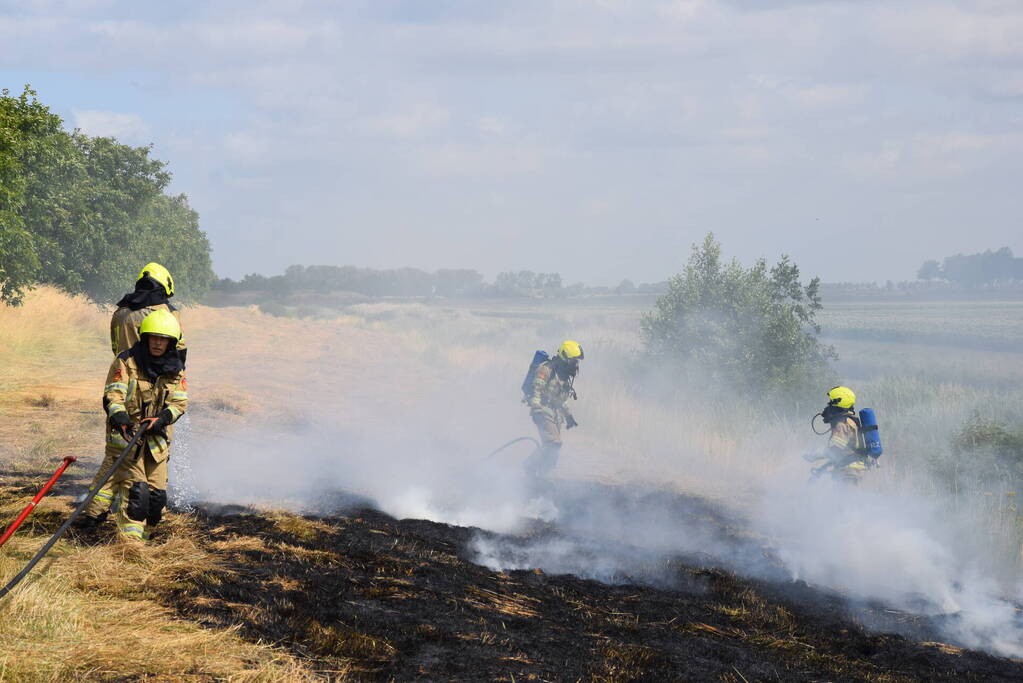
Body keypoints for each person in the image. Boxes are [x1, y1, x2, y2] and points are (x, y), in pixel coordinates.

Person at [76, 309, 188, 541]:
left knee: (156, 500)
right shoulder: (126, 361)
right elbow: (113, 395)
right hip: (127, 436)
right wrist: (121, 419)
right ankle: (130, 544)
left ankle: (141, 534)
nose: (157, 343)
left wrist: (162, 419)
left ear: (171, 342)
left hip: (156, 442)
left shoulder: (176, 369)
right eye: (153, 337)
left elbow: (179, 402)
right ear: (145, 338)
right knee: (137, 493)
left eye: (163, 339)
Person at [523, 340, 583, 480]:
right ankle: (529, 466)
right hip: (542, 410)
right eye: (573, 361)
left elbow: (560, 399)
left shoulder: (563, 375)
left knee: (553, 451)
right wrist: (536, 406)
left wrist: (568, 416)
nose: (576, 365)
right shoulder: (546, 369)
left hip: (554, 414)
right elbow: (537, 388)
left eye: (576, 362)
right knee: (553, 443)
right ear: (565, 358)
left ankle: (542, 477)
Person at [110, 262, 185, 356]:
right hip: (155, 370)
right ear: (165, 285)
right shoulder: (169, 312)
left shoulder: (119, 313)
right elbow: (179, 349)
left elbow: (115, 346)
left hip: (121, 368)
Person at [809, 385, 868, 484]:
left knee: (845, 499)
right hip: (850, 469)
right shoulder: (850, 420)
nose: (828, 406)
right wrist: (822, 468)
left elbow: (835, 449)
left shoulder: (841, 424)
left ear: (838, 403)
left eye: (831, 402)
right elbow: (844, 450)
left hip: (848, 472)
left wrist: (814, 454)